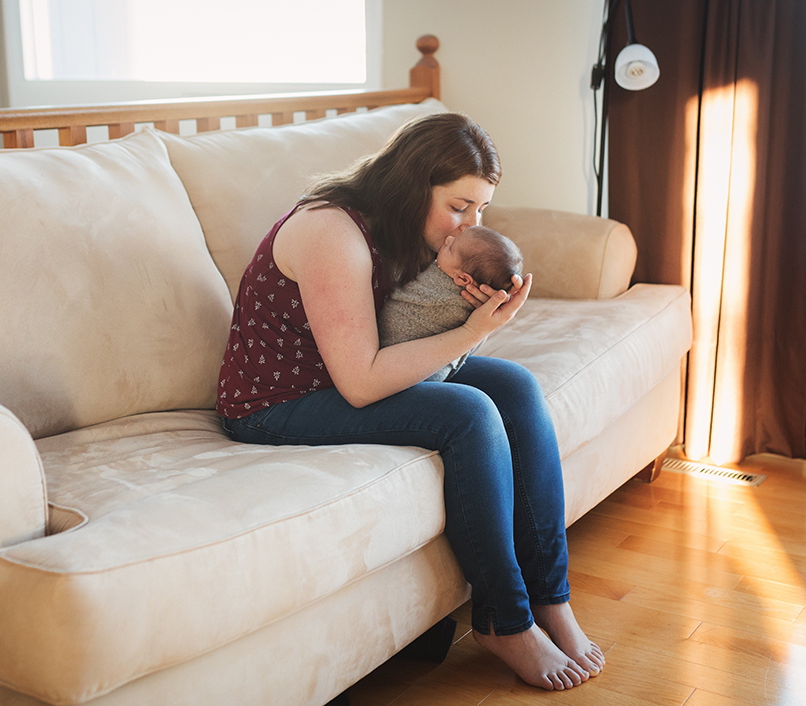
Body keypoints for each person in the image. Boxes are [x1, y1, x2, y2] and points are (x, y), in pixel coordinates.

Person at [216, 113, 605, 690]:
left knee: (517, 389)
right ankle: (504, 620)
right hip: (278, 401)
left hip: (344, 375)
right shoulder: (332, 232)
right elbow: (362, 382)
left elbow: (406, 331)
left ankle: (551, 600)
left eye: (480, 210)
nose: (466, 225)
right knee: (470, 414)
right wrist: (472, 334)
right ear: (410, 185)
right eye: (458, 206)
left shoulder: (418, 233)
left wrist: (472, 311)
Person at [378, 224, 523, 382]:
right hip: (430, 369)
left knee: (517, 379)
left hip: (407, 368)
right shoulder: (475, 298)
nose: (448, 240)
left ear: (462, 278)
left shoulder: (437, 286)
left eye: (452, 247)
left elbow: (399, 289)